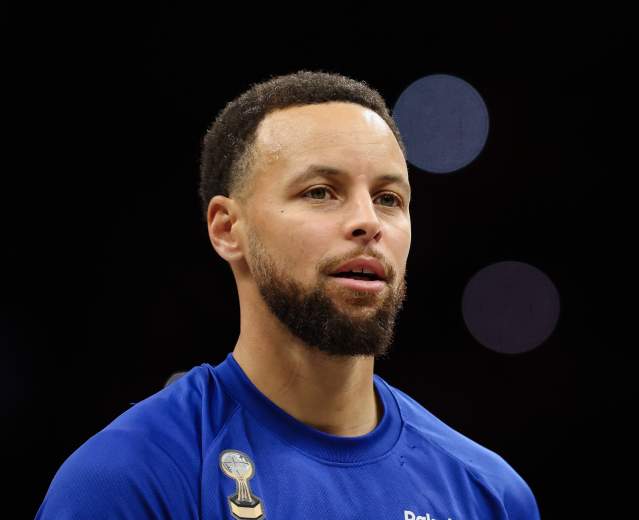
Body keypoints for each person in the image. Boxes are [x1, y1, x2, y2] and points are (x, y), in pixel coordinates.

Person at [35, 70, 541, 519]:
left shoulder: (490, 495)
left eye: (389, 199)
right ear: (227, 229)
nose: (368, 221)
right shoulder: (128, 480)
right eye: (320, 191)